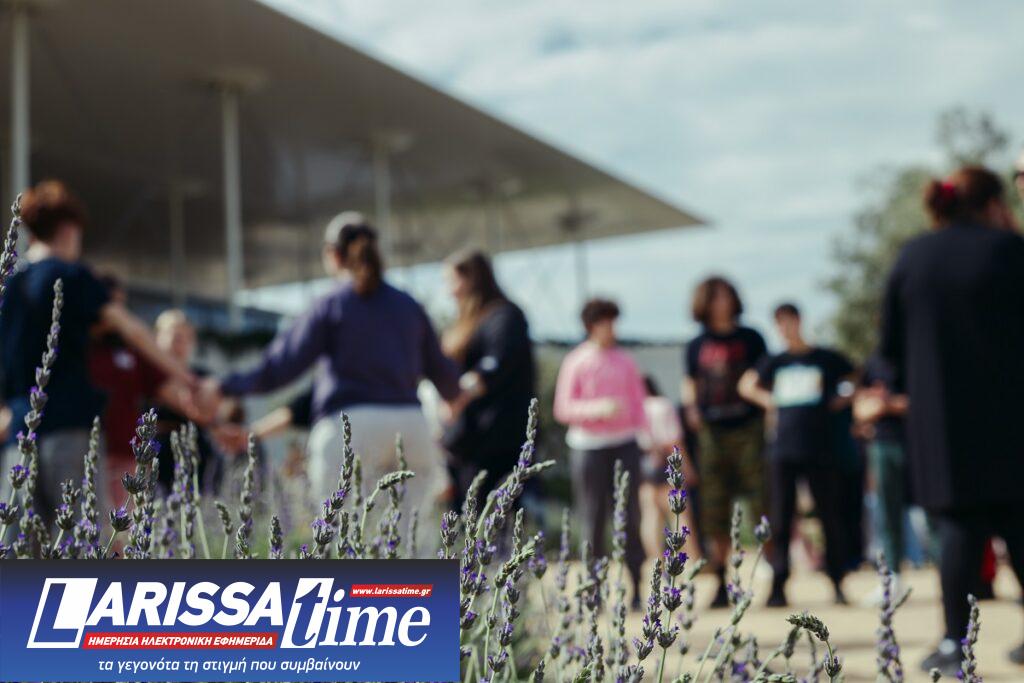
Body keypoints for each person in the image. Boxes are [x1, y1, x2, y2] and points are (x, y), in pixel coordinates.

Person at [203, 212, 460, 527]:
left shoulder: (331, 304)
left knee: (342, 538)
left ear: (331, 255)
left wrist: (224, 386)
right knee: (412, 543)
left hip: (351, 427)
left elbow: (280, 367)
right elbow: (446, 377)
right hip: (410, 426)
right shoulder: (409, 306)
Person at [878, 165, 1024, 675]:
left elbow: (887, 352)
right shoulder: (1010, 250)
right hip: (1012, 416)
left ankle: (952, 644)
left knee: (958, 529)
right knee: (1019, 521)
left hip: (943, 424)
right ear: (993, 202)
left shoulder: (914, 256)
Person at [0, 181, 194, 528]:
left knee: (19, 551)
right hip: (69, 429)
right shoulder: (71, 274)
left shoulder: (10, 285)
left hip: (19, 435)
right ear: (69, 228)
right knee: (82, 542)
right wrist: (184, 374)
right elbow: (131, 330)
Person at [739, 302, 854, 607]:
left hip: (819, 448)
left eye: (789, 321)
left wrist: (840, 399)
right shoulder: (775, 362)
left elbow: (855, 376)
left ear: (799, 321)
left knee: (828, 515)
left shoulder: (824, 358)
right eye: (780, 323)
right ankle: (778, 584)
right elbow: (746, 385)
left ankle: (838, 579)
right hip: (783, 450)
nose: (786, 328)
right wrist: (771, 401)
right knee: (780, 518)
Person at [554, 298, 647, 608]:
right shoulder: (576, 361)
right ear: (592, 326)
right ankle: (594, 587)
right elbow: (563, 408)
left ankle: (637, 584)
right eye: (605, 322)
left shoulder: (625, 361)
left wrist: (645, 437)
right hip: (588, 446)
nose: (611, 329)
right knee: (593, 516)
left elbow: (639, 404)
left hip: (625, 444)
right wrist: (597, 409)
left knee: (629, 514)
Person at [683, 276, 767, 607]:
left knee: (762, 503)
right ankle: (720, 580)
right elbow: (689, 382)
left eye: (727, 295)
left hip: (748, 429)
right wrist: (691, 412)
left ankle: (775, 577)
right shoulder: (696, 345)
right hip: (712, 433)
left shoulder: (752, 338)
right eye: (715, 297)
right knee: (714, 509)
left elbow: (765, 378)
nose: (722, 302)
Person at [89, 276, 198, 508]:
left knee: (124, 528)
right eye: (112, 303)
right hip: (89, 449)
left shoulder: (131, 351)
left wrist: (212, 416)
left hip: (127, 455)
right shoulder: (81, 346)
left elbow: (167, 390)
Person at [440, 249, 535, 509]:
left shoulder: (504, 317)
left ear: (470, 278)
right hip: (465, 443)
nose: (449, 291)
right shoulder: (465, 323)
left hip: (497, 440)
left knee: (494, 520)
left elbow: (494, 366)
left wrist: (457, 398)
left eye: (452, 282)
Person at [853, 352, 910, 602]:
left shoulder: (916, 355)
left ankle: (953, 576)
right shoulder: (873, 363)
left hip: (920, 443)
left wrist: (886, 404)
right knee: (887, 513)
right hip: (883, 444)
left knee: (935, 515)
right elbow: (860, 409)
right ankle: (892, 578)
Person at [637, 375, 700, 562]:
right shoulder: (661, 405)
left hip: (644, 464)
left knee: (650, 517)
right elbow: (673, 440)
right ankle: (694, 559)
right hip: (666, 465)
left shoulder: (635, 408)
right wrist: (687, 468)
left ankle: (656, 562)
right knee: (679, 515)